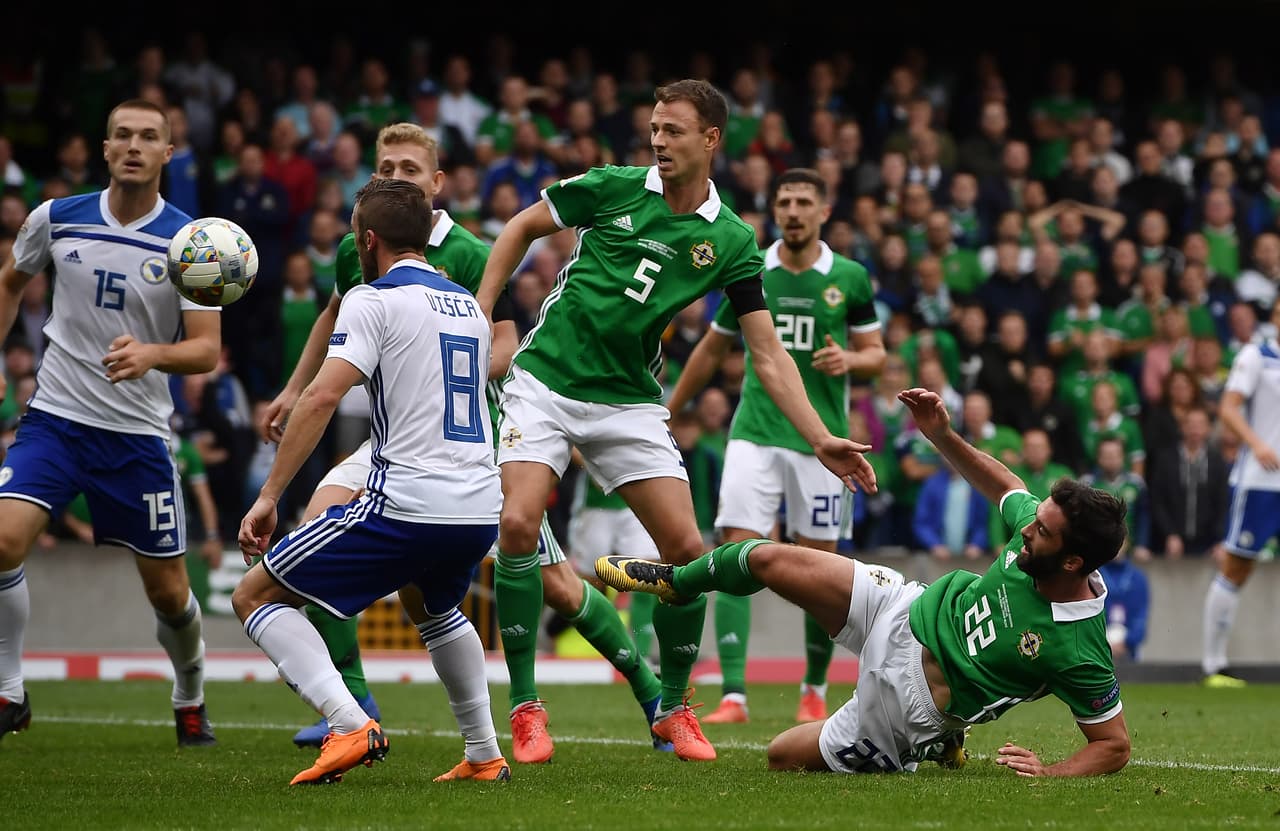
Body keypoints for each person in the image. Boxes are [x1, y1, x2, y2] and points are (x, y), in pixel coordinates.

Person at [473, 79, 876, 762]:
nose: (658, 140)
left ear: (711, 139)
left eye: (674, 130)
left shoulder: (731, 240)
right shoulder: (612, 186)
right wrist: (483, 310)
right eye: (655, 128)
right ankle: (525, 706)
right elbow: (520, 227)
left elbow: (767, 353)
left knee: (688, 553)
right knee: (517, 524)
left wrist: (819, 437)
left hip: (628, 401)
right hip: (545, 383)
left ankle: (673, 707)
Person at [262, 123, 665, 759]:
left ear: (437, 182)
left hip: (472, 438)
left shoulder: (473, 253)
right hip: (396, 438)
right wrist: (292, 388)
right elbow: (334, 316)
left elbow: (505, 340)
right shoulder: (356, 247)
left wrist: (435, 366)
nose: (397, 177)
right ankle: (356, 702)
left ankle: (651, 693)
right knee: (320, 517)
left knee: (557, 586)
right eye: (386, 168)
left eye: (409, 169)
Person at [598, 387, 1131, 777]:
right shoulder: (1037, 529)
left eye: (1043, 532)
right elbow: (1007, 486)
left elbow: (1113, 745)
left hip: (908, 706)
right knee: (766, 558)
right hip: (903, 605)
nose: (1028, 529)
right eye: (1036, 520)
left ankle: (936, 742)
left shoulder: (1078, 647)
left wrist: (1050, 772)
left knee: (781, 756)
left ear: (1072, 563)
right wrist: (942, 435)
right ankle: (679, 581)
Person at [234, 178, 509, 786]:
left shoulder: (371, 298)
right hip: (476, 506)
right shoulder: (468, 305)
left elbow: (322, 397)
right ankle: (485, 754)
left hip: (408, 503)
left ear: (367, 239)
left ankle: (348, 723)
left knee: (254, 596)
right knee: (435, 608)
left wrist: (270, 495)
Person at [0, 99, 221, 745]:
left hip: (137, 437)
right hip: (56, 420)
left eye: (148, 137)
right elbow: (11, 280)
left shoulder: (190, 242)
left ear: (167, 153)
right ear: (104, 148)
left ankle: (190, 691)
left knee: (170, 594)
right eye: (122, 135)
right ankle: (10, 691)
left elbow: (206, 349)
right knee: (3, 541)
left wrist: (153, 353)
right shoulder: (56, 217)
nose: (133, 146)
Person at [664, 167, 885, 724]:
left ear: (823, 211)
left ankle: (814, 688)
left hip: (821, 441)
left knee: (820, 568)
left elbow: (877, 353)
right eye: (784, 202)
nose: (792, 211)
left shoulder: (850, 278)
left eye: (803, 202)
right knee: (735, 551)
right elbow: (713, 348)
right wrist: (671, 408)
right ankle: (734, 695)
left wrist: (850, 359)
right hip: (755, 433)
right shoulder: (751, 267)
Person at [1201, 298, 1280, 687]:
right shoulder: (1257, 356)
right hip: (1260, 480)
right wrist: (1258, 444)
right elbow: (1229, 408)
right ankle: (1213, 664)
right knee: (1237, 566)